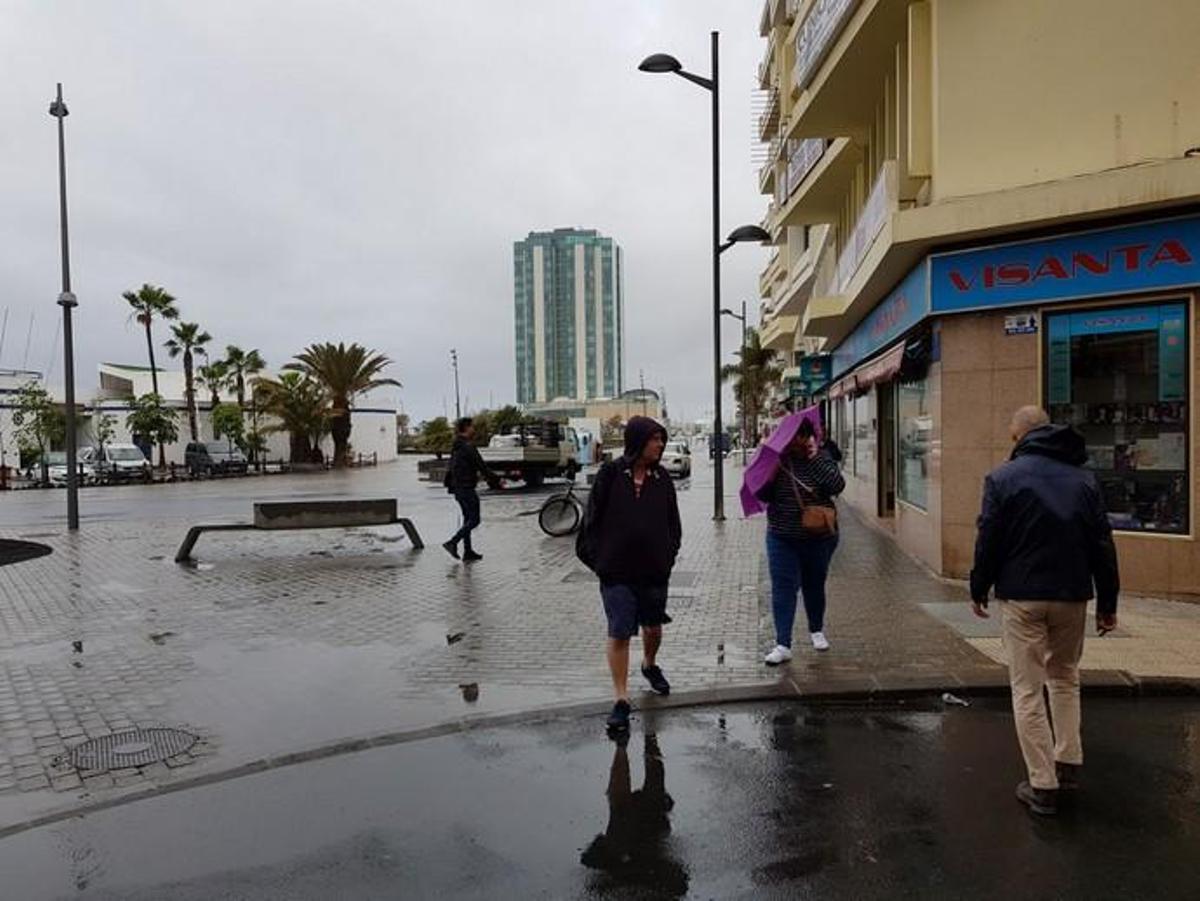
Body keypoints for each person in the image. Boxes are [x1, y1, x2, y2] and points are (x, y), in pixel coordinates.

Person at [970, 406, 1120, 817]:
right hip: (1072, 594)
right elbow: (1102, 545)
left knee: (1027, 688)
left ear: (1019, 436)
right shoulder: (1084, 480)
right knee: (1065, 677)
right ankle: (1068, 762)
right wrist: (1108, 603)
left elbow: (989, 539)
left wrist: (979, 587)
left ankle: (1042, 784)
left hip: (1022, 596)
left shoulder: (1002, 478)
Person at [577, 416, 682, 735]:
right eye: (655, 439)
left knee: (653, 627)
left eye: (662, 439)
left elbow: (673, 524)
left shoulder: (662, 478)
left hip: (653, 571)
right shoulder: (611, 474)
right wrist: (601, 562)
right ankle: (621, 699)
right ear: (638, 441)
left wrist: (667, 557)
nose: (660, 445)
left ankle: (649, 664)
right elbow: (591, 521)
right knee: (620, 631)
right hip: (616, 572)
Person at [756, 417, 844, 664]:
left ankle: (816, 630)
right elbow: (762, 495)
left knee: (814, 584)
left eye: (802, 436)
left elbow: (837, 485)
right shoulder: (777, 460)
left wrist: (815, 458)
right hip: (781, 537)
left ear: (808, 436)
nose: (797, 441)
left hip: (819, 537)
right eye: (793, 436)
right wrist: (771, 471)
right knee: (783, 588)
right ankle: (783, 644)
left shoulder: (821, 457)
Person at [442, 417, 501, 563]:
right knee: (474, 520)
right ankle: (452, 542)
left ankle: (467, 551)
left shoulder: (456, 446)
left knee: (467, 519)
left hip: (457, 487)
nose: (474, 429)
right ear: (467, 428)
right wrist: (496, 479)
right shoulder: (468, 446)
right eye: (472, 427)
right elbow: (481, 465)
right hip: (466, 487)